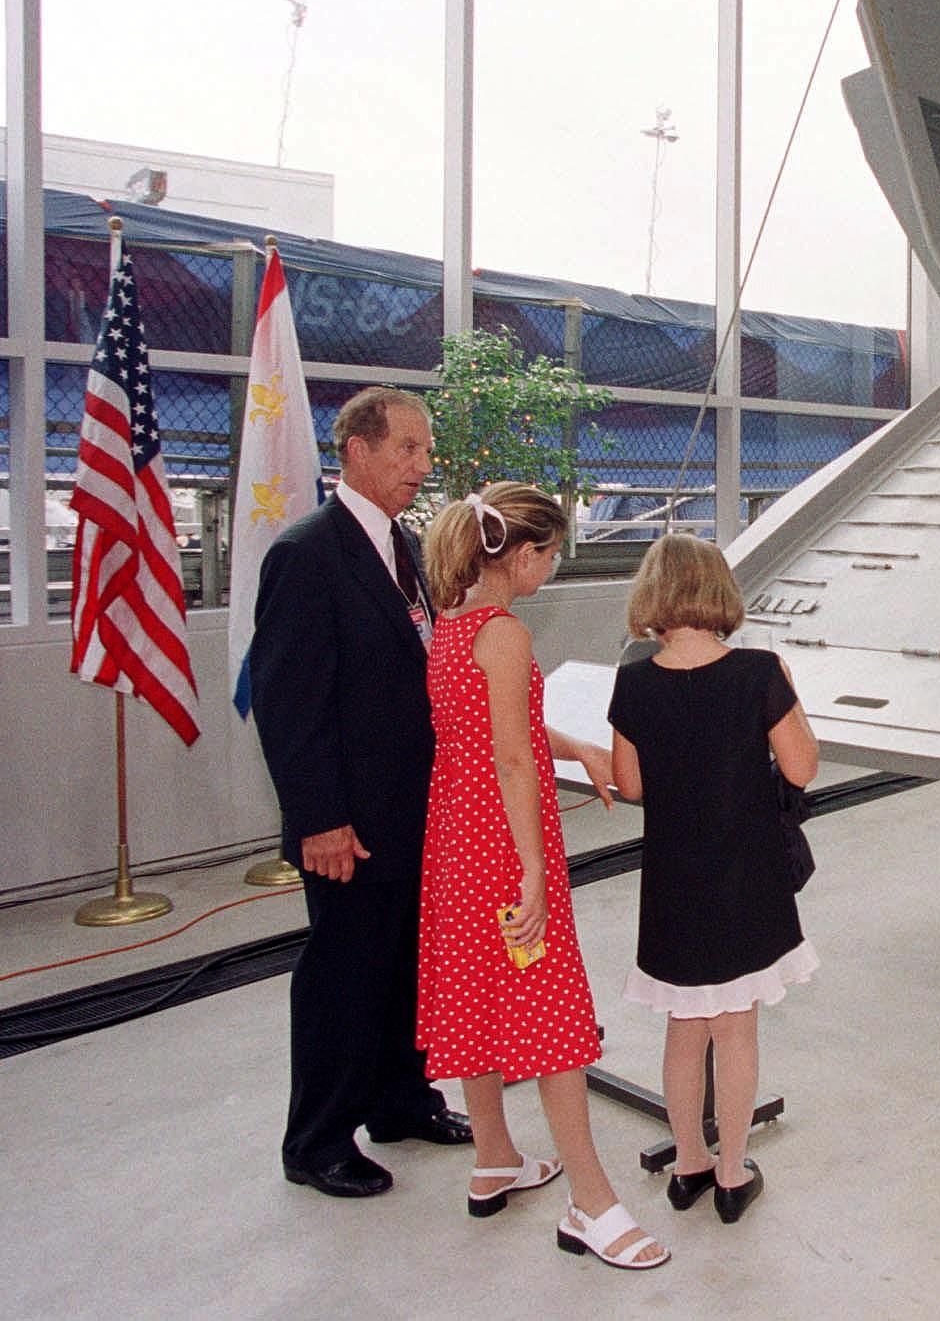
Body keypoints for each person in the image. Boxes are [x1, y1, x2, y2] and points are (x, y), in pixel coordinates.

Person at [418, 482, 665, 1270]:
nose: (552, 569)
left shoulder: (452, 626)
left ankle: (494, 1154)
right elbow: (511, 756)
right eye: (551, 554)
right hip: (500, 847)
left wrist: (579, 748)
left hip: (453, 842)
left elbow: (505, 726)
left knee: (480, 998)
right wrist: (531, 870)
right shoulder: (507, 635)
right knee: (550, 1013)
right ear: (521, 554)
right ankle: (591, 1201)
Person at [251, 387, 472, 1198]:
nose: (422, 465)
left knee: (405, 965)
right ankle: (315, 1139)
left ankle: (399, 1098)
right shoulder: (308, 553)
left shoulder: (401, 544)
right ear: (357, 450)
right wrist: (319, 819)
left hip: (411, 810)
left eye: (423, 451)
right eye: (407, 450)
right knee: (344, 973)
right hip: (346, 820)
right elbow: (288, 701)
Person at [608, 534, 819, 1226]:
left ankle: (688, 1163)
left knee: (684, 1025)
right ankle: (732, 1173)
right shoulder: (759, 672)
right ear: (717, 593)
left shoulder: (633, 680)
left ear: (654, 599)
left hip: (673, 880)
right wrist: (790, 689)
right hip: (746, 877)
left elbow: (631, 782)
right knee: (736, 1028)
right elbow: (802, 768)